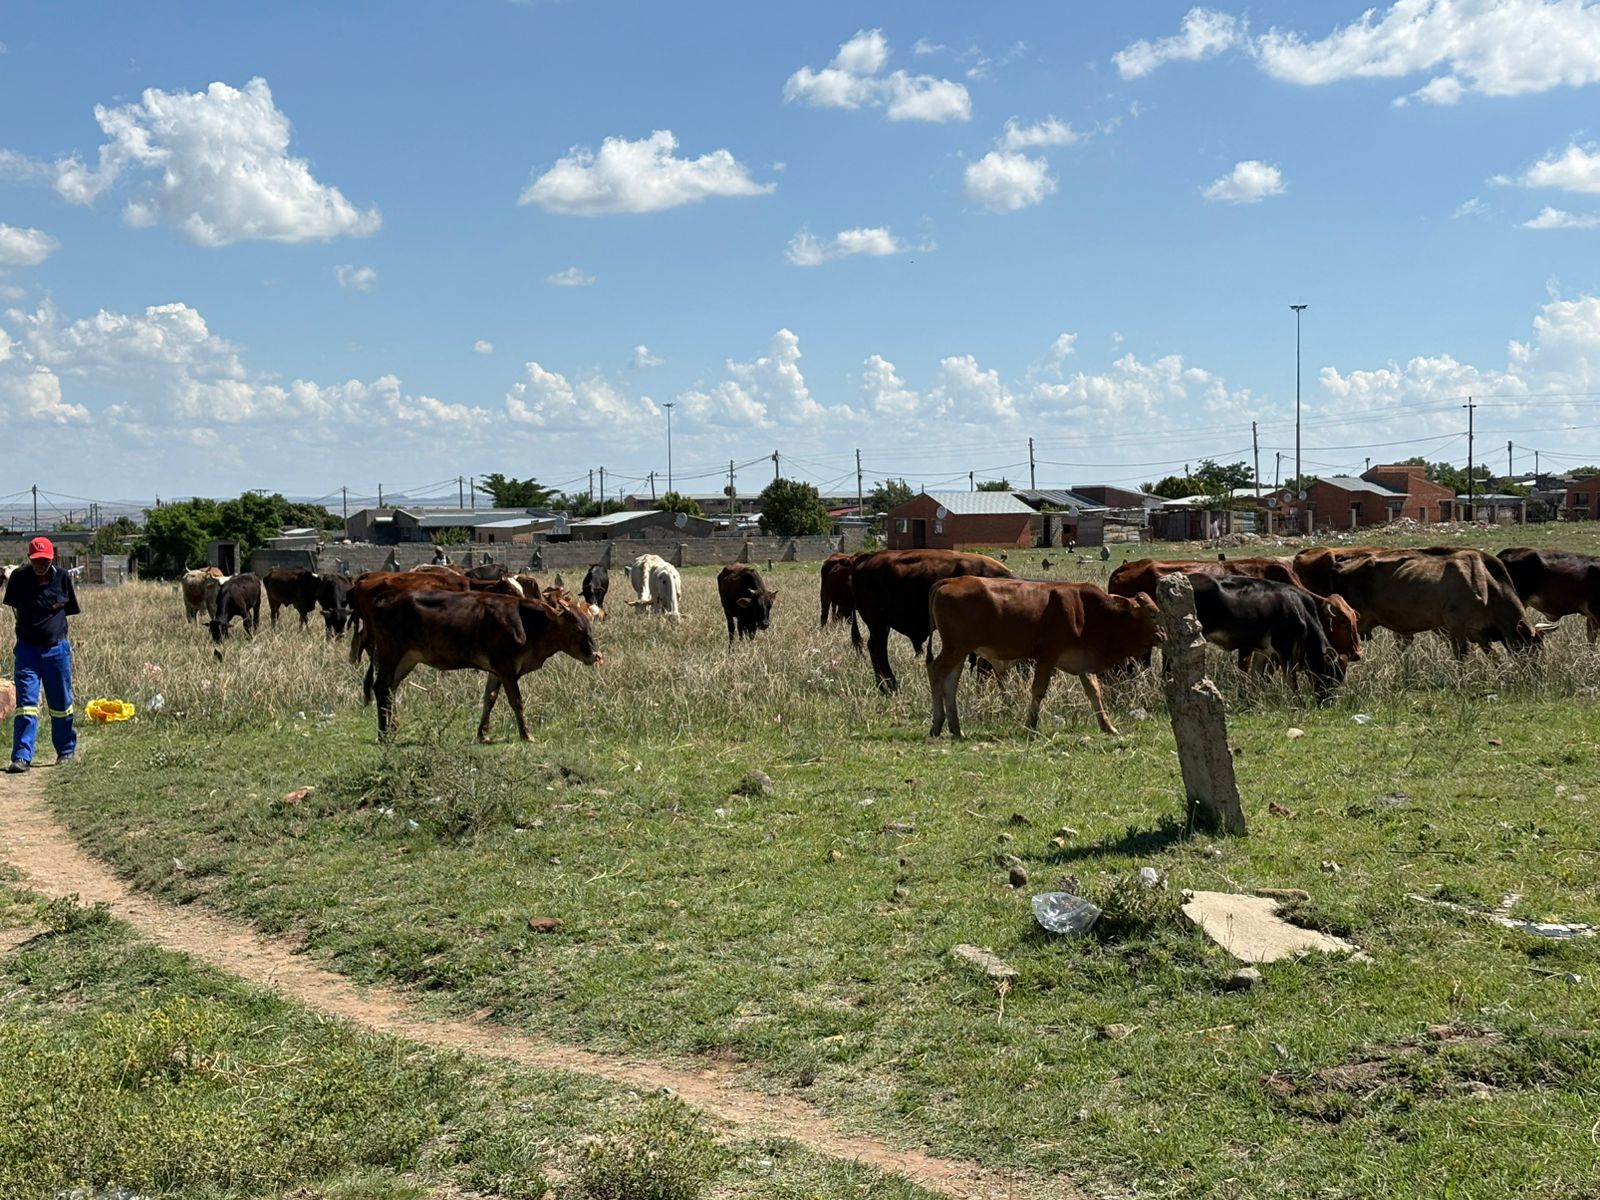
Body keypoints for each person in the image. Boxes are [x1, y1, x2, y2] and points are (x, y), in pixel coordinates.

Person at [5, 536, 80, 772]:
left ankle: (65, 751)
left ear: (52, 557)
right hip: (27, 651)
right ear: (29, 558)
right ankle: (21, 757)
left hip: (56, 650)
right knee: (26, 704)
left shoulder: (62, 578)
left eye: (45, 559)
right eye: (37, 560)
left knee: (61, 704)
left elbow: (68, 610)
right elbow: (15, 608)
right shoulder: (18, 578)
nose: (41, 564)